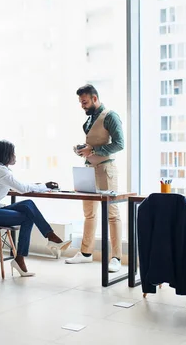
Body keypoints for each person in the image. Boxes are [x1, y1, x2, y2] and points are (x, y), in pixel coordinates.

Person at [0, 140, 71, 277]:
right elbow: (22, 188)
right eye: (13, 152)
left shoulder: (0, 170)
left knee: (27, 204)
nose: (15, 155)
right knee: (27, 217)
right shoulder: (0, 171)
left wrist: (41, 185)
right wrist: (45, 186)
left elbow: (20, 186)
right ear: (6, 154)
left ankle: (49, 238)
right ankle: (23, 256)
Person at [66, 84, 125, 273]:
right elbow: (93, 143)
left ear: (94, 98)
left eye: (84, 102)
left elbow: (119, 144)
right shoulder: (91, 118)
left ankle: (116, 258)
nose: (82, 106)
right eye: (80, 103)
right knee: (89, 214)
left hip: (106, 170)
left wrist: (94, 150)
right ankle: (85, 253)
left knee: (112, 214)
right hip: (89, 169)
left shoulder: (110, 116)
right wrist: (83, 149)